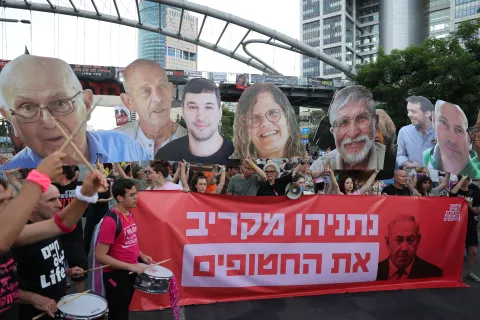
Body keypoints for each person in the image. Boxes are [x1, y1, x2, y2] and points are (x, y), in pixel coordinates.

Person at [0, 152, 107, 319]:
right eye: (1, 201)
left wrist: (86, 195)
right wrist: (39, 177)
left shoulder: (15, 233)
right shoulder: (6, 237)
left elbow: (59, 224)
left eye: (10, 198)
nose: (10, 205)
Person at [0, 54, 151, 170]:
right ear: (10, 119)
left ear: (86, 105)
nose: (48, 121)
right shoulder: (8, 178)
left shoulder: (125, 146)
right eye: (27, 108)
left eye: (60, 103)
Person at [95, 179, 155, 320]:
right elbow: (100, 256)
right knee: (118, 314)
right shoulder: (111, 220)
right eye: (132, 195)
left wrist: (142, 255)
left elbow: (130, 240)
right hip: (116, 275)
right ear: (120, 198)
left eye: (136, 194)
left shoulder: (129, 213)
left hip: (130, 271)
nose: (136, 198)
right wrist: (132, 266)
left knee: (124, 308)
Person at [117, 59, 187, 158]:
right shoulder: (114, 144)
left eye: (162, 86)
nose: (158, 98)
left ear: (171, 91)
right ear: (128, 102)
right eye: (145, 91)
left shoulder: (196, 144)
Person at [155, 78, 234, 164]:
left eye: (208, 107)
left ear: (220, 112)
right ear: (183, 111)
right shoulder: (164, 155)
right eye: (193, 107)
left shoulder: (239, 155)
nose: (200, 117)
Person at [232, 83, 305, 159]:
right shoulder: (232, 164)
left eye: (273, 113)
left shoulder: (308, 164)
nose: (265, 123)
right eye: (255, 118)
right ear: (244, 126)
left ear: (287, 116)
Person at [321, 85, 386, 170]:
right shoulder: (320, 165)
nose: (353, 133)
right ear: (333, 132)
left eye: (362, 118)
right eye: (343, 123)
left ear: (375, 122)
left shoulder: (392, 160)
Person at [423, 100, 480, 177]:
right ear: (433, 120)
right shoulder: (425, 157)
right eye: (443, 123)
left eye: (459, 130)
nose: (452, 139)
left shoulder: (474, 170)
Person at [376, 215, 443, 280]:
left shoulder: (434, 275)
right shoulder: (374, 271)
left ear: (418, 240)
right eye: (399, 240)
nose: (404, 248)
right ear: (387, 242)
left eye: (410, 240)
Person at [450, 175, 480, 282]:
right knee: (456, 250)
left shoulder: (474, 193)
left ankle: (470, 273)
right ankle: (454, 273)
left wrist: (468, 204)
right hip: (456, 224)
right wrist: (462, 179)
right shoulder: (456, 190)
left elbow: (476, 211)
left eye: (468, 179)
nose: (466, 181)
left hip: (470, 223)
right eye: (463, 179)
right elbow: (452, 194)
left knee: (474, 251)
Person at [396, 96, 436, 168]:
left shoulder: (441, 133)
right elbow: (400, 155)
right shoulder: (404, 132)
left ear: (427, 113)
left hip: (439, 178)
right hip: (412, 177)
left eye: (413, 111)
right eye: (408, 111)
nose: (409, 115)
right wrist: (408, 163)